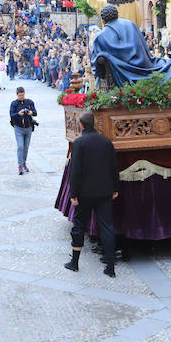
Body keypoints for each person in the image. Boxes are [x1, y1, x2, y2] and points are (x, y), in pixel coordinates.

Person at [90, 5, 171, 87]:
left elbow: (97, 68)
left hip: (127, 74)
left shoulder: (100, 36)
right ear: (116, 14)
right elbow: (145, 49)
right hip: (146, 64)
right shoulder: (130, 24)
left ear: (103, 19)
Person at [64, 112, 118, 278]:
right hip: (105, 191)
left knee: (79, 225)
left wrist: (73, 193)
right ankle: (110, 267)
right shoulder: (106, 141)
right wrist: (115, 188)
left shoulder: (79, 142)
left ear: (81, 125)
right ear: (93, 123)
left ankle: (74, 262)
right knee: (107, 227)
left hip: (85, 193)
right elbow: (114, 166)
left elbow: (76, 170)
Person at [9, 87, 37, 175]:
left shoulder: (29, 102)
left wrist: (31, 113)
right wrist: (18, 114)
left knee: (26, 147)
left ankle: (24, 163)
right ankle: (20, 165)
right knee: (20, 146)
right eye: (20, 95)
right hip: (18, 128)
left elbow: (35, 112)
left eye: (23, 95)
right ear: (17, 95)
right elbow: (11, 115)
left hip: (28, 128)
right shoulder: (14, 103)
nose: (21, 96)